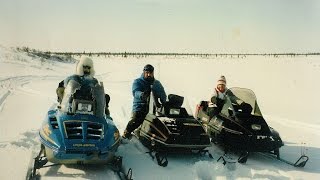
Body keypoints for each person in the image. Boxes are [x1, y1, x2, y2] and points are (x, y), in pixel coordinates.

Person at [122, 64, 167, 139]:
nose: (149, 74)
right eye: (147, 73)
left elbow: (162, 94)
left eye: (150, 73)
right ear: (144, 72)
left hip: (154, 107)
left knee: (161, 122)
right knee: (136, 120)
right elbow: (135, 92)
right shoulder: (138, 82)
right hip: (140, 106)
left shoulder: (156, 83)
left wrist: (164, 101)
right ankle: (126, 133)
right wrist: (142, 95)